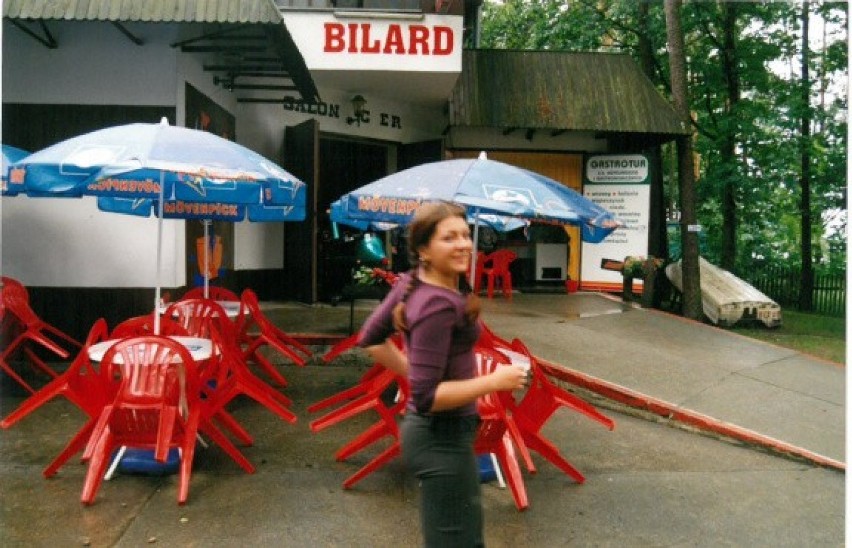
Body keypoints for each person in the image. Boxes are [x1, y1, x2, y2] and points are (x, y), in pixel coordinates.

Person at [358, 201, 527, 547]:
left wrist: (416, 372)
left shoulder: (414, 282)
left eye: (465, 235)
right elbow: (428, 397)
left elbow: (371, 339)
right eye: (449, 238)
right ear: (424, 249)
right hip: (441, 438)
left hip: (438, 434)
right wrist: (493, 382)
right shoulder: (436, 304)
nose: (464, 244)